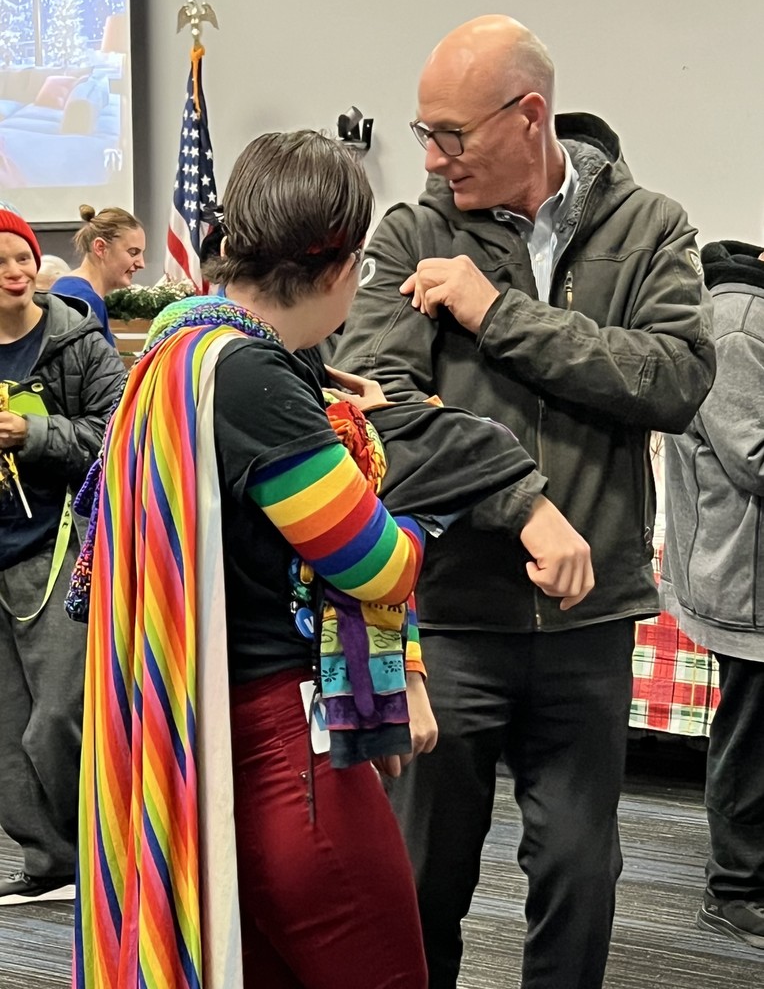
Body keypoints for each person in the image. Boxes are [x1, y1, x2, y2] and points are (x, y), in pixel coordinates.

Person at [71, 130, 542, 989]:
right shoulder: (255, 381)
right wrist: (403, 472)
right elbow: (379, 566)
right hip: (288, 753)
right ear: (342, 267)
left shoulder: (181, 349)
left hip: (212, 732)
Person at [333, 14, 716, 989]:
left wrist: (497, 314)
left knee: (579, 876)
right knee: (423, 881)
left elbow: (672, 380)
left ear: (528, 115)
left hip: (588, 620)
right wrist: (523, 501)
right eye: (424, 132)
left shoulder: (649, 227)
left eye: (449, 134)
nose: (430, 156)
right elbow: (382, 421)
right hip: (451, 610)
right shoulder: (414, 232)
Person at [0, 208, 125, 905]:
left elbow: (119, 432)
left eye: (23, 258)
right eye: (2, 263)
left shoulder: (75, 341)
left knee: (57, 719)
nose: (18, 273)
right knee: (5, 733)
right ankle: (50, 865)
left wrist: (34, 434)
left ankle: (102, 850)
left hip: (58, 556)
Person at [661, 239, 764, 950]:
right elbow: (753, 457)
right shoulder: (736, 322)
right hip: (746, 576)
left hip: (749, 569)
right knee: (751, 737)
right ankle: (733, 888)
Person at [50, 204, 146, 346]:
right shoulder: (83, 301)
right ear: (100, 248)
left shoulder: (69, 288)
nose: (141, 263)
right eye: (133, 252)